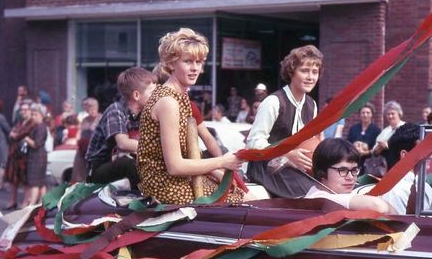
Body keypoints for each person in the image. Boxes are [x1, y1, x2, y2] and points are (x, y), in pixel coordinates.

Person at [137, 27, 244, 204]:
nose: (195, 68)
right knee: (240, 199)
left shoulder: (180, 95)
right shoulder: (168, 101)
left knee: (237, 191)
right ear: (171, 63)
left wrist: (215, 170)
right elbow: (175, 166)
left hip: (176, 180)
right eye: (188, 61)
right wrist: (221, 162)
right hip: (164, 186)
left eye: (199, 62)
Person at [246, 45, 323, 198]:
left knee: (328, 187)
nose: (310, 77)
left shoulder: (311, 105)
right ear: (291, 72)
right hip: (267, 167)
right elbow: (253, 142)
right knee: (311, 194)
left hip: (296, 167)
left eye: (314, 72)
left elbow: (311, 142)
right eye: (304, 71)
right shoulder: (273, 101)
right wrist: (286, 154)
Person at [85, 67, 157, 189]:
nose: (156, 96)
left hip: (122, 158)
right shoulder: (116, 110)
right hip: (100, 167)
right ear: (136, 95)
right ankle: (148, 197)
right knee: (128, 164)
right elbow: (123, 144)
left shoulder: (145, 112)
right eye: (152, 93)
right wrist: (157, 149)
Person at [305, 138, 396, 213]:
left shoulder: (332, 192)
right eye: (343, 170)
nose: (351, 177)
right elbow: (378, 205)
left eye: (354, 170)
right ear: (322, 171)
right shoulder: (319, 197)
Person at [3, 101, 34, 210]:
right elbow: (12, 134)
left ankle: (26, 201)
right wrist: (15, 135)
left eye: (26, 110)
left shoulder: (32, 122)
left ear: (30, 111)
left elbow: (22, 134)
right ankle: (12, 201)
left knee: (25, 180)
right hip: (14, 153)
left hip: (25, 155)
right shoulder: (19, 122)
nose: (23, 112)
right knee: (13, 179)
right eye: (22, 110)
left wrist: (15, 135)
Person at [23, 103, 49, 207]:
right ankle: (44, 204)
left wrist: (26, 138)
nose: (33, 116)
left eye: (36, 115)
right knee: (41, 182)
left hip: (38, 157)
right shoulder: (37, 126)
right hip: (35, 156)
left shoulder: (41, 127)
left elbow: (36, 144)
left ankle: (32, 205)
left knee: (34, 182)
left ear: (41, 115)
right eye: (32, 114)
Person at [71, 98, 100, 183]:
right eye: (89, 108)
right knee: (79, 172)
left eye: (94, 108)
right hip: (83, 149)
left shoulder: (101, 118)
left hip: (96, 149)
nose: (92, 110)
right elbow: (79, 132)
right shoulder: (85, 120)